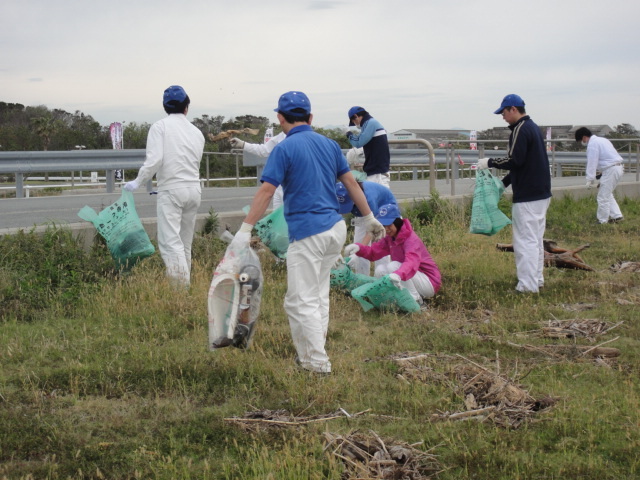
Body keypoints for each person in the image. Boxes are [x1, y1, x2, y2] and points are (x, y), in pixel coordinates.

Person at [230, 91, 385, 374]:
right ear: (310, 117)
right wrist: (370, 217)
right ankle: (310, 356)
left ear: (280, 118)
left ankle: (317, 363)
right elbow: (351, 183)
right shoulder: (328, 145)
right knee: (317, 295)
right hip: (334, 229)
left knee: (300, 301)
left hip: (308, 232)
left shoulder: (284, 149)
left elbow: (267, 190)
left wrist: (245, 229)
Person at [124, 85, 205, 288]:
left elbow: (154, 160)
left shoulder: (160, 127)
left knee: (170, 242)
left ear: (165, 106)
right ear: (187, 106)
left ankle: (180, 292)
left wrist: (137, 181)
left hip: (172, 189)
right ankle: (186, 287)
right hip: (194, 189)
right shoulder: (197, 132)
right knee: (185, 242)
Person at [476, 94, 551, 293]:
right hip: (541, 193)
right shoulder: (533, 127)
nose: (502, 117)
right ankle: (536, 280)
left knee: (524, 241)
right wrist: (504, 183)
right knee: (535, 240)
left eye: (503, 112)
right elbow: (522, 163)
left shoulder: (520, 129)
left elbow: (515, 160)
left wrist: (489, 162)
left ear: (513, 109)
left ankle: (527, 286)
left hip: (527, 195)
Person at [344, 204, 441, 306]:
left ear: (397, 222)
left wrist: (398, 274)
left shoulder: (411, 240)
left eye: (389, 225)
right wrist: (359, 248)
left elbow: (411, 262)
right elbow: (373, 253)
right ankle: (393, 300)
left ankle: (417, 301)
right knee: (380, 270)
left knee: (393, 266)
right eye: (383, 226)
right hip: (412, 278)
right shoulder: (390, 238)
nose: (386, 229)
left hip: (429, 282)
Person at [335, 179, 397, 275]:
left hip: (383, 212)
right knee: (358, 244)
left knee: (380, 247)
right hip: (363, 212)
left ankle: (382, 280)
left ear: (354, 196)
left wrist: (359, 251)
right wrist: (335, 250)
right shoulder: (337, 192)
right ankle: (362, 279)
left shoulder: (369, 199)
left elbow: (372, 230)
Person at [574, 127, 624, 224]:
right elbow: (607, 157)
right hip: (616, 168)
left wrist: (590, 179)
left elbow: (592, 162)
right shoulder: (602, 140)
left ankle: (602, 221)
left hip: (610, 170)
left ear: (584, 137)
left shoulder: (592, 144)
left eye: (581, 140)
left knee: (602, 197)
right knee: (607, 193)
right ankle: (617, 216)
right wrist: (602, 175)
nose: (582, 142)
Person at [230, 132, 286, 209]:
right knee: (276, 219)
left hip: (293, 190)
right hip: (279, 187)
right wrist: (243, 144)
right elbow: (264, 150)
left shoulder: (302, 138)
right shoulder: (281, 136)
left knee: (290, 219)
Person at [345, 106, 391, 188]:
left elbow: (359, 142)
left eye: (353, 121)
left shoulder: (371, 123)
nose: (355, 125)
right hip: (378, 170)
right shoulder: (370, 123)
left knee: (375, 198)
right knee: (381, 198)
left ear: (356, 116)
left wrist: (349, 134)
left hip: (377, 172)